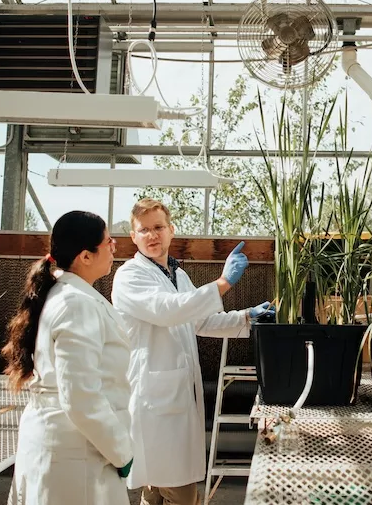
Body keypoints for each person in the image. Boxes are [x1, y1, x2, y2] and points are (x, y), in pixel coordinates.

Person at [111, 198, 275, 505]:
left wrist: (247, 317)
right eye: (143, 230)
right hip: (153, 401)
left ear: (171, 230)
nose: (152, 235)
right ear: (133, 237)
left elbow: (200, 320)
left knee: (157, 490)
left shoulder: (177, 275)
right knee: (181, 493)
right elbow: (168, 310)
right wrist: (223, 282)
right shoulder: (130, 276)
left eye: (158, 227)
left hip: (173, 398)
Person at [3, 210, 134, 505]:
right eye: (108, 241)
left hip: (61, 444)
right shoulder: (76, 304)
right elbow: (80, 397)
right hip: (77, 451)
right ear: (85, 256)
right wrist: (122, 451)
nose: (114, 247)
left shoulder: (64, 295)